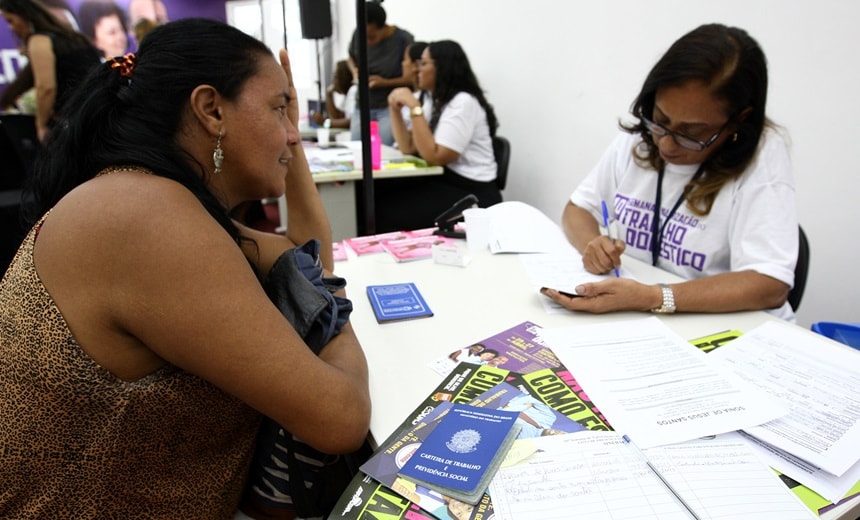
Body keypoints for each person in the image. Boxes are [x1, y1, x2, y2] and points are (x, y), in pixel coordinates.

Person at [0, 17, 370, 519]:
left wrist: (316, 288)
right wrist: (331, 308)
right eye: (279, 108)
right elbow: (340, 417)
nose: (291, 133)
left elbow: (303, 258)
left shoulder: (147, 197)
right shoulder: (147, 219)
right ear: (211, 110)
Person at [542, 24, 798, 321]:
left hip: (728, 327)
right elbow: (578, 210)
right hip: (642, 316)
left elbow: (769, 284)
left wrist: (653, 297)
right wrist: (591, 246)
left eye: (692, 133)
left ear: (738, 121)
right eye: (661, 120)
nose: (666, 143)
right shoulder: (643, 136)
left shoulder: (763, 157)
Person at [381, 39, 501, 233]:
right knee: (379, 194)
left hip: (472, 192)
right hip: (446, 181)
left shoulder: (462, 102)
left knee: (389, 210)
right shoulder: (433, 99)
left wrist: (414, 107)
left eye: (424, 63)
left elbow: (436, 157)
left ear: (442, 68)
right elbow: (408, 147)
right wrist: (394, 110)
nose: (417, 69)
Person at [0, 0, 101, 142]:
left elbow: (46, 87)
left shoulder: (39, 40)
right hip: (101, 115)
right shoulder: (73, 38)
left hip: (78, 123)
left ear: (24, 14)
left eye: (10, 20)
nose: (11, 28)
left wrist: (40, 125)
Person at [348, 0, 413, 145]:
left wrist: (384, 83)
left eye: (371, 37)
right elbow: (351, 58)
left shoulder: (403, 40)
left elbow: (411, 78)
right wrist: (354, 71)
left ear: (383, 27)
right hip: (363, 105)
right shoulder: (358, 34)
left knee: (385, 153)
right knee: (356, 150)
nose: (367, 42)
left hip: (388, 108)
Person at [311, 59, 357, 130]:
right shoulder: (347, 96)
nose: (333, 81)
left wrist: (325, 123)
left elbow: (351, 121)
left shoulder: (354, 91)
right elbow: (338, 117)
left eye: (335, 77)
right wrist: (329, 94)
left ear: (344, 78)